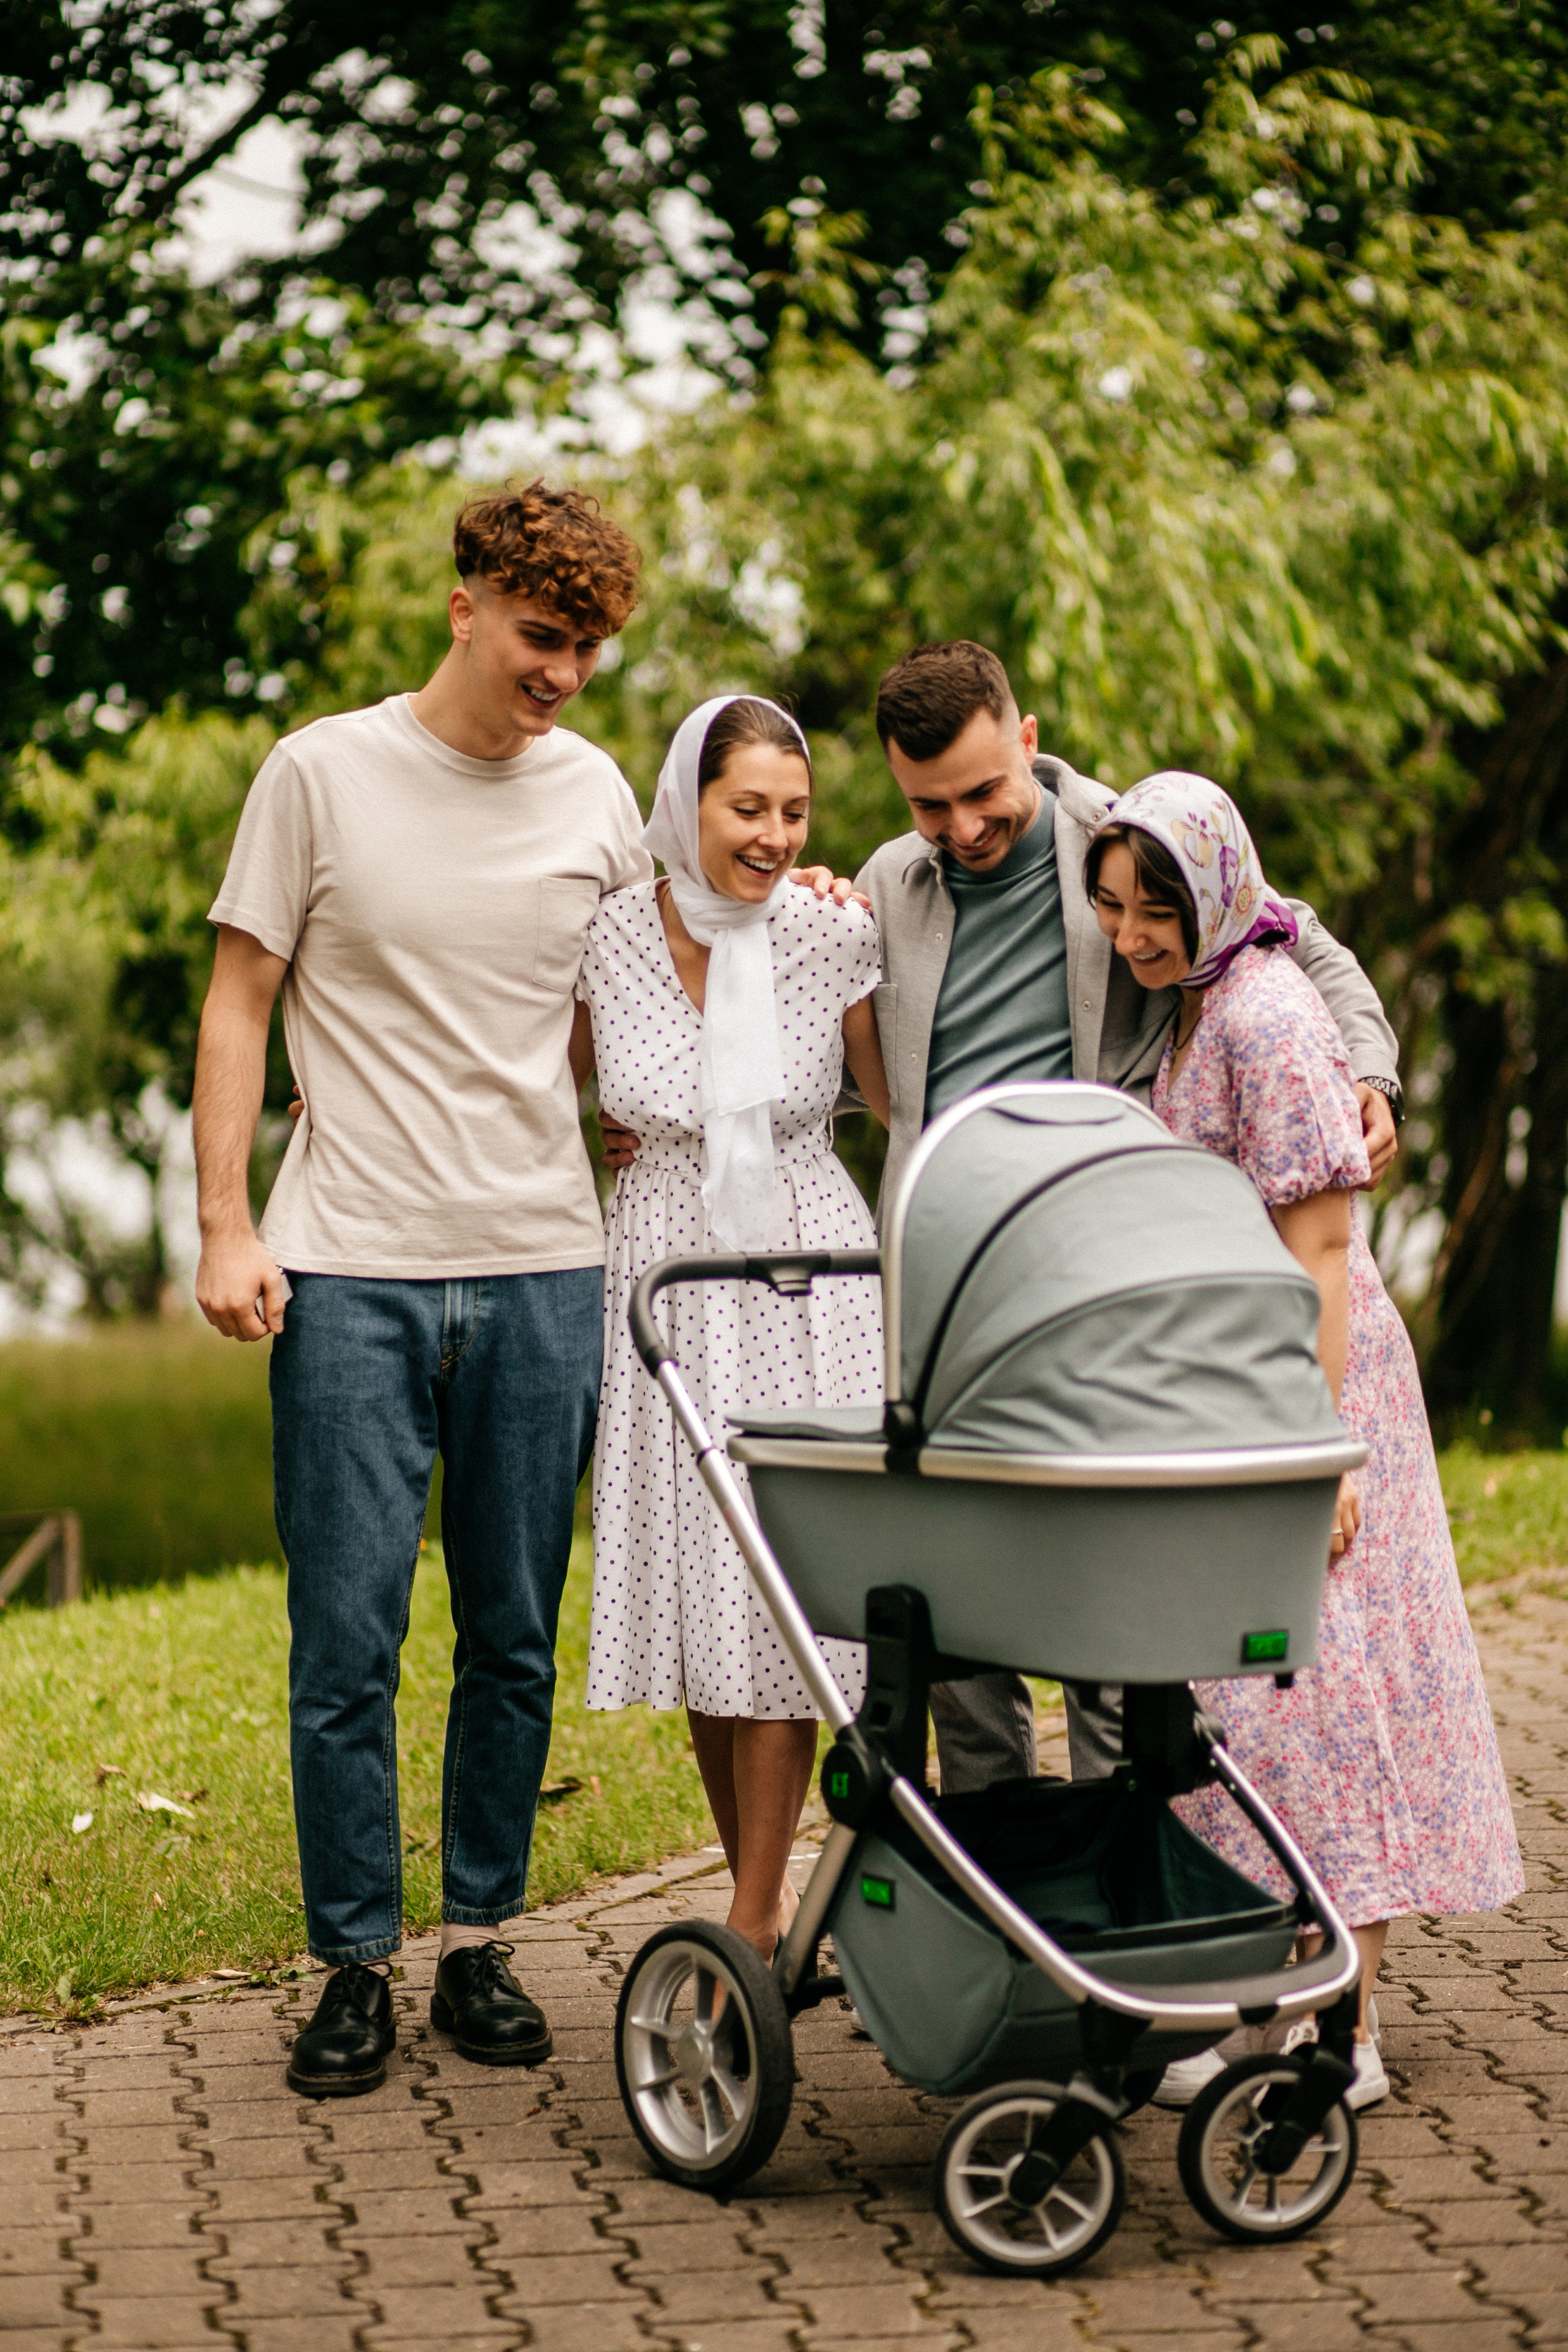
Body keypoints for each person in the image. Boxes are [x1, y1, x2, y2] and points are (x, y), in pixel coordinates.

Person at [192, 483, 658, 2097]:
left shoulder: (599, 794)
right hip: (349, 1271)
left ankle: (477, 1945)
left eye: (592, 646)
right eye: (545, 636)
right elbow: (241, 998)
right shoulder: (321, 772)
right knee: (346, 1643)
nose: (567, 673)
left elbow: (638, 998)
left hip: (541, 1261)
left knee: (515, 1635)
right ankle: (350, 1967)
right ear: (464, 600)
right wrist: (224, 1225)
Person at [850, 640, 1404, 1796]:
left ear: (1030, 741)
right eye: (928, 804)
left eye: (982, 793)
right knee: (955, 1596)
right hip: (951, 1284)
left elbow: (1298, 943)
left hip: (1105, 1282)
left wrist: (1370, 1073)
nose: (960, 828)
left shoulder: (1128, 844)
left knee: (1105, 1586)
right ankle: (998, 1875)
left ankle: (1121, 1855)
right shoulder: (884, 886)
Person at [1086, 770, 1523, 2109]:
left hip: (1307, 1395)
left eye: (1151, 909)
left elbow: (1322, 1248)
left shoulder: (1266, 1015)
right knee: (1250, 1716)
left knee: (1321, 1711)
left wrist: (1314, 1448)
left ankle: (1346, 2027)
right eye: (1109, 909)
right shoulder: (1204, 999)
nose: (1128, 936)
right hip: (1241, 1390)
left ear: (1212, 894)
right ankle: (1259, 2001)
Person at [576, 695, 890, 1958]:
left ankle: (756, 1920)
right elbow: (548, 1089)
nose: (770, 836)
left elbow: (893, 1099)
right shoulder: (606, 938)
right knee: (704, 1595)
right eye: (745, 808)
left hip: (807, 1280)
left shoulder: (827, 932)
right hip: (660, 1280)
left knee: (783, 1599)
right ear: (685, 804)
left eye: (792, 811)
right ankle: (750, 1889)